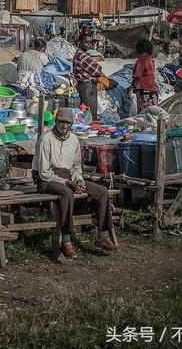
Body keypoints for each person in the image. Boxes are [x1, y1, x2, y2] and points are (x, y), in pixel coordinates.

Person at [32, 108, 118, 259]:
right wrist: (66, 182)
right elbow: (44, 172)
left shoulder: (73, 139)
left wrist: (78, 180)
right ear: (56, 122)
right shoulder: (46, 139)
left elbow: (76, 166)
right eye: (61, 122)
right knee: (67, 193)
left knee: (102, 191)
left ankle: (102, 236)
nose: (64, 126)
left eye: (68, 123)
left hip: (68, 177)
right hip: (47, 180)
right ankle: (66, 240)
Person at [73, 35, 102, 120]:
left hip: (84, 85)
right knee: (88, 113)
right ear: (80, 43)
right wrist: (98, 66)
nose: (89, 44)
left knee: (87, 110)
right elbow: (97, 71)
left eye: (90, 42)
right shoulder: (82, 56)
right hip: (86, 85)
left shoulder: (82, 54)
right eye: (86, 42)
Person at [132, 39, 158, 113]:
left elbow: (137, 75)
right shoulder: (151, 59)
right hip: (153, 89)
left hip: (143, 89)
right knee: (152, 113)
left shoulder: (141, 59)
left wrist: (132, 87)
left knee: (143, 113)